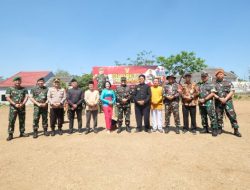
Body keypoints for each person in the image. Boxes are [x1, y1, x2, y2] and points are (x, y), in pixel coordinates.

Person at [213, 69, 241, 137]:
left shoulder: (228, 82)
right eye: (218, 74)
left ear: (223, 75)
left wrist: (225, 99)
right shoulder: (214, 83)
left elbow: (232, 91)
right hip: (218, 102)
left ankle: (236, 130)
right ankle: (219, 128)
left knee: (232, 115)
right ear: (216, 76)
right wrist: (220, 98)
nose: (220, 75)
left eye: (221, 74)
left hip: (228, 102)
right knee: (218, 116)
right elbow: (213, 93)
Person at [5, 76, 29, 141]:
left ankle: (22, 132)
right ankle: (10, 134)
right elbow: (7, 97)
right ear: (14, 81)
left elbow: (26, 97)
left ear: (20, 82)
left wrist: (22, 104)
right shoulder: (9, 89)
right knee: (12, 120)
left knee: (22, 120)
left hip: (22, 107)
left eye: (19, 81)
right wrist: (15, 104)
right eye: (16, 81)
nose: (18, 82)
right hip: (13, 107)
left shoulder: (24, 89)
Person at [197, 72, 218, 137]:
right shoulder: (200, 85)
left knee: (212, 116)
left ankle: (214, 129)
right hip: (201, 103)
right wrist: (199, 99)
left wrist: (205, 99)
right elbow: (198, 93)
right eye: (202, 76)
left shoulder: (211, 84)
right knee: (203, 116)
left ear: (207, 77)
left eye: (205, 76)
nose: (203, 78)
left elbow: (212, 93)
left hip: (208, 102)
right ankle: (205, 128)